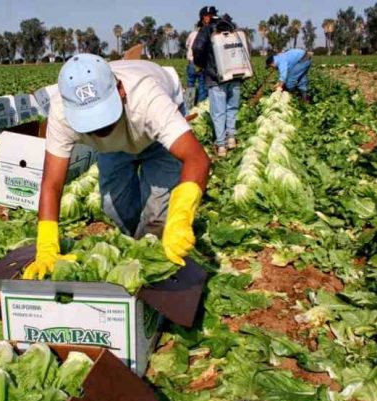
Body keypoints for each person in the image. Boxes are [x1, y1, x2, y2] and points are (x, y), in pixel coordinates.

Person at [22, 54, 211, 279]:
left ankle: (155, 262)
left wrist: (181, 216)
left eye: (103, 116)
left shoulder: (149, 99)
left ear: (120, 91)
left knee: (159, 217)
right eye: (89, 121)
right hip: (113, 147)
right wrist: (46, 246)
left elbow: (197, 159)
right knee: (114, 206)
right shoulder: (62, 112)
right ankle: (139, 244)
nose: (99, 128)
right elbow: (51, 183)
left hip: (154, 137)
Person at [192, 6, 241, 157]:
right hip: (236, 75)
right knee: (232, 108)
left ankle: (221, 146)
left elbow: (197, 48)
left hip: (216, 78)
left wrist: (203, 64)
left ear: (204, 18)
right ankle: (231, 138)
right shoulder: (231, 27)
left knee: (218, 112)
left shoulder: (207, 29)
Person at [185, 20, 207, 105]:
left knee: (190, 84)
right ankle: (200, 107)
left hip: (191, 62)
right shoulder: (206, 35)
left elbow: (187, 45)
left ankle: (189, 105)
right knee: (202, 86)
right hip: (201, 64)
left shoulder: (192, 34)